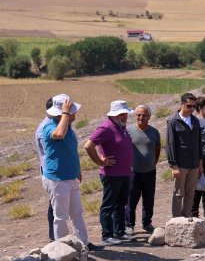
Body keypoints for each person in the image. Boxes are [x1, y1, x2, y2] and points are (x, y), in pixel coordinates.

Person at [42, 94, 90, 246]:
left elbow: (70, 150)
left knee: (77, 213)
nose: (75, 114)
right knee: (61, 216)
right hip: (57, 179)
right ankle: (62, 248)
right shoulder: (49, 126)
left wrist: (77, 169)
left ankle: (83, 244)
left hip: (70, 176)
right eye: (72, 111)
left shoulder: (68, 127)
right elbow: (58, 134)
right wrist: (65, 113)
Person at [84, 100, 134, 244]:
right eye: (121, 114)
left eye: (125, 114)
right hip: (111, 174)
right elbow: (88, 146)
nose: (125, 116)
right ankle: (107, 235)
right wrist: (100, 162)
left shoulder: (121, 127)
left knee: (121, 203)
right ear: (114, 115)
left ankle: (119, 232)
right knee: (109, 205)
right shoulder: (106, 127)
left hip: (124, 172)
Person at [167, 93, 204, 218]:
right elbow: (170, 144)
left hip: (194, 165)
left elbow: (199, 143)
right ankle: (177, 221)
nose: (192, 109)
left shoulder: (195, 121)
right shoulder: (173, 121)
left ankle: (187, 218)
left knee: (190, 194)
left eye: (194, 106)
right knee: (178, 194)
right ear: (182, 104)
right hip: (181, 165)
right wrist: (174, 166)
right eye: (189, 106)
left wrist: (200, 164)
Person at [126, 105, 161, 234]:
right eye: (138, 115)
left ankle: (147, 223)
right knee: (131, 200)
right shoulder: (128, 131)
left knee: (149, 199)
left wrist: (153, 162)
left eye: (144, 115)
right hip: (133, 172)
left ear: (149, 116)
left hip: (150, 172)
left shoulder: (154, 132)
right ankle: (129, 225)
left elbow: (157, 149)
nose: (141, 117)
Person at [35, 97, 55, 241]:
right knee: (54, 205)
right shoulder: (45, 128)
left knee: (56, 205)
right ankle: (54, 238)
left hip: (57, 170)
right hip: (52, 171)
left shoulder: (53, 124)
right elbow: (50, 153)